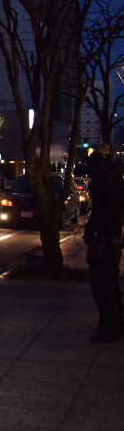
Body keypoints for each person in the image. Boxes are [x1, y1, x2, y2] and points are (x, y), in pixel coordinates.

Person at [83, 144, 124, 343]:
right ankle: (113, 325)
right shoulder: (117, 192)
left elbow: (96, 177)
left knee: (104, 288)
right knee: (111, 286)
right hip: (112, 243)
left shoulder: (109, 192)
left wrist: (97, 154)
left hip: (105, 244)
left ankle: (111, 328)